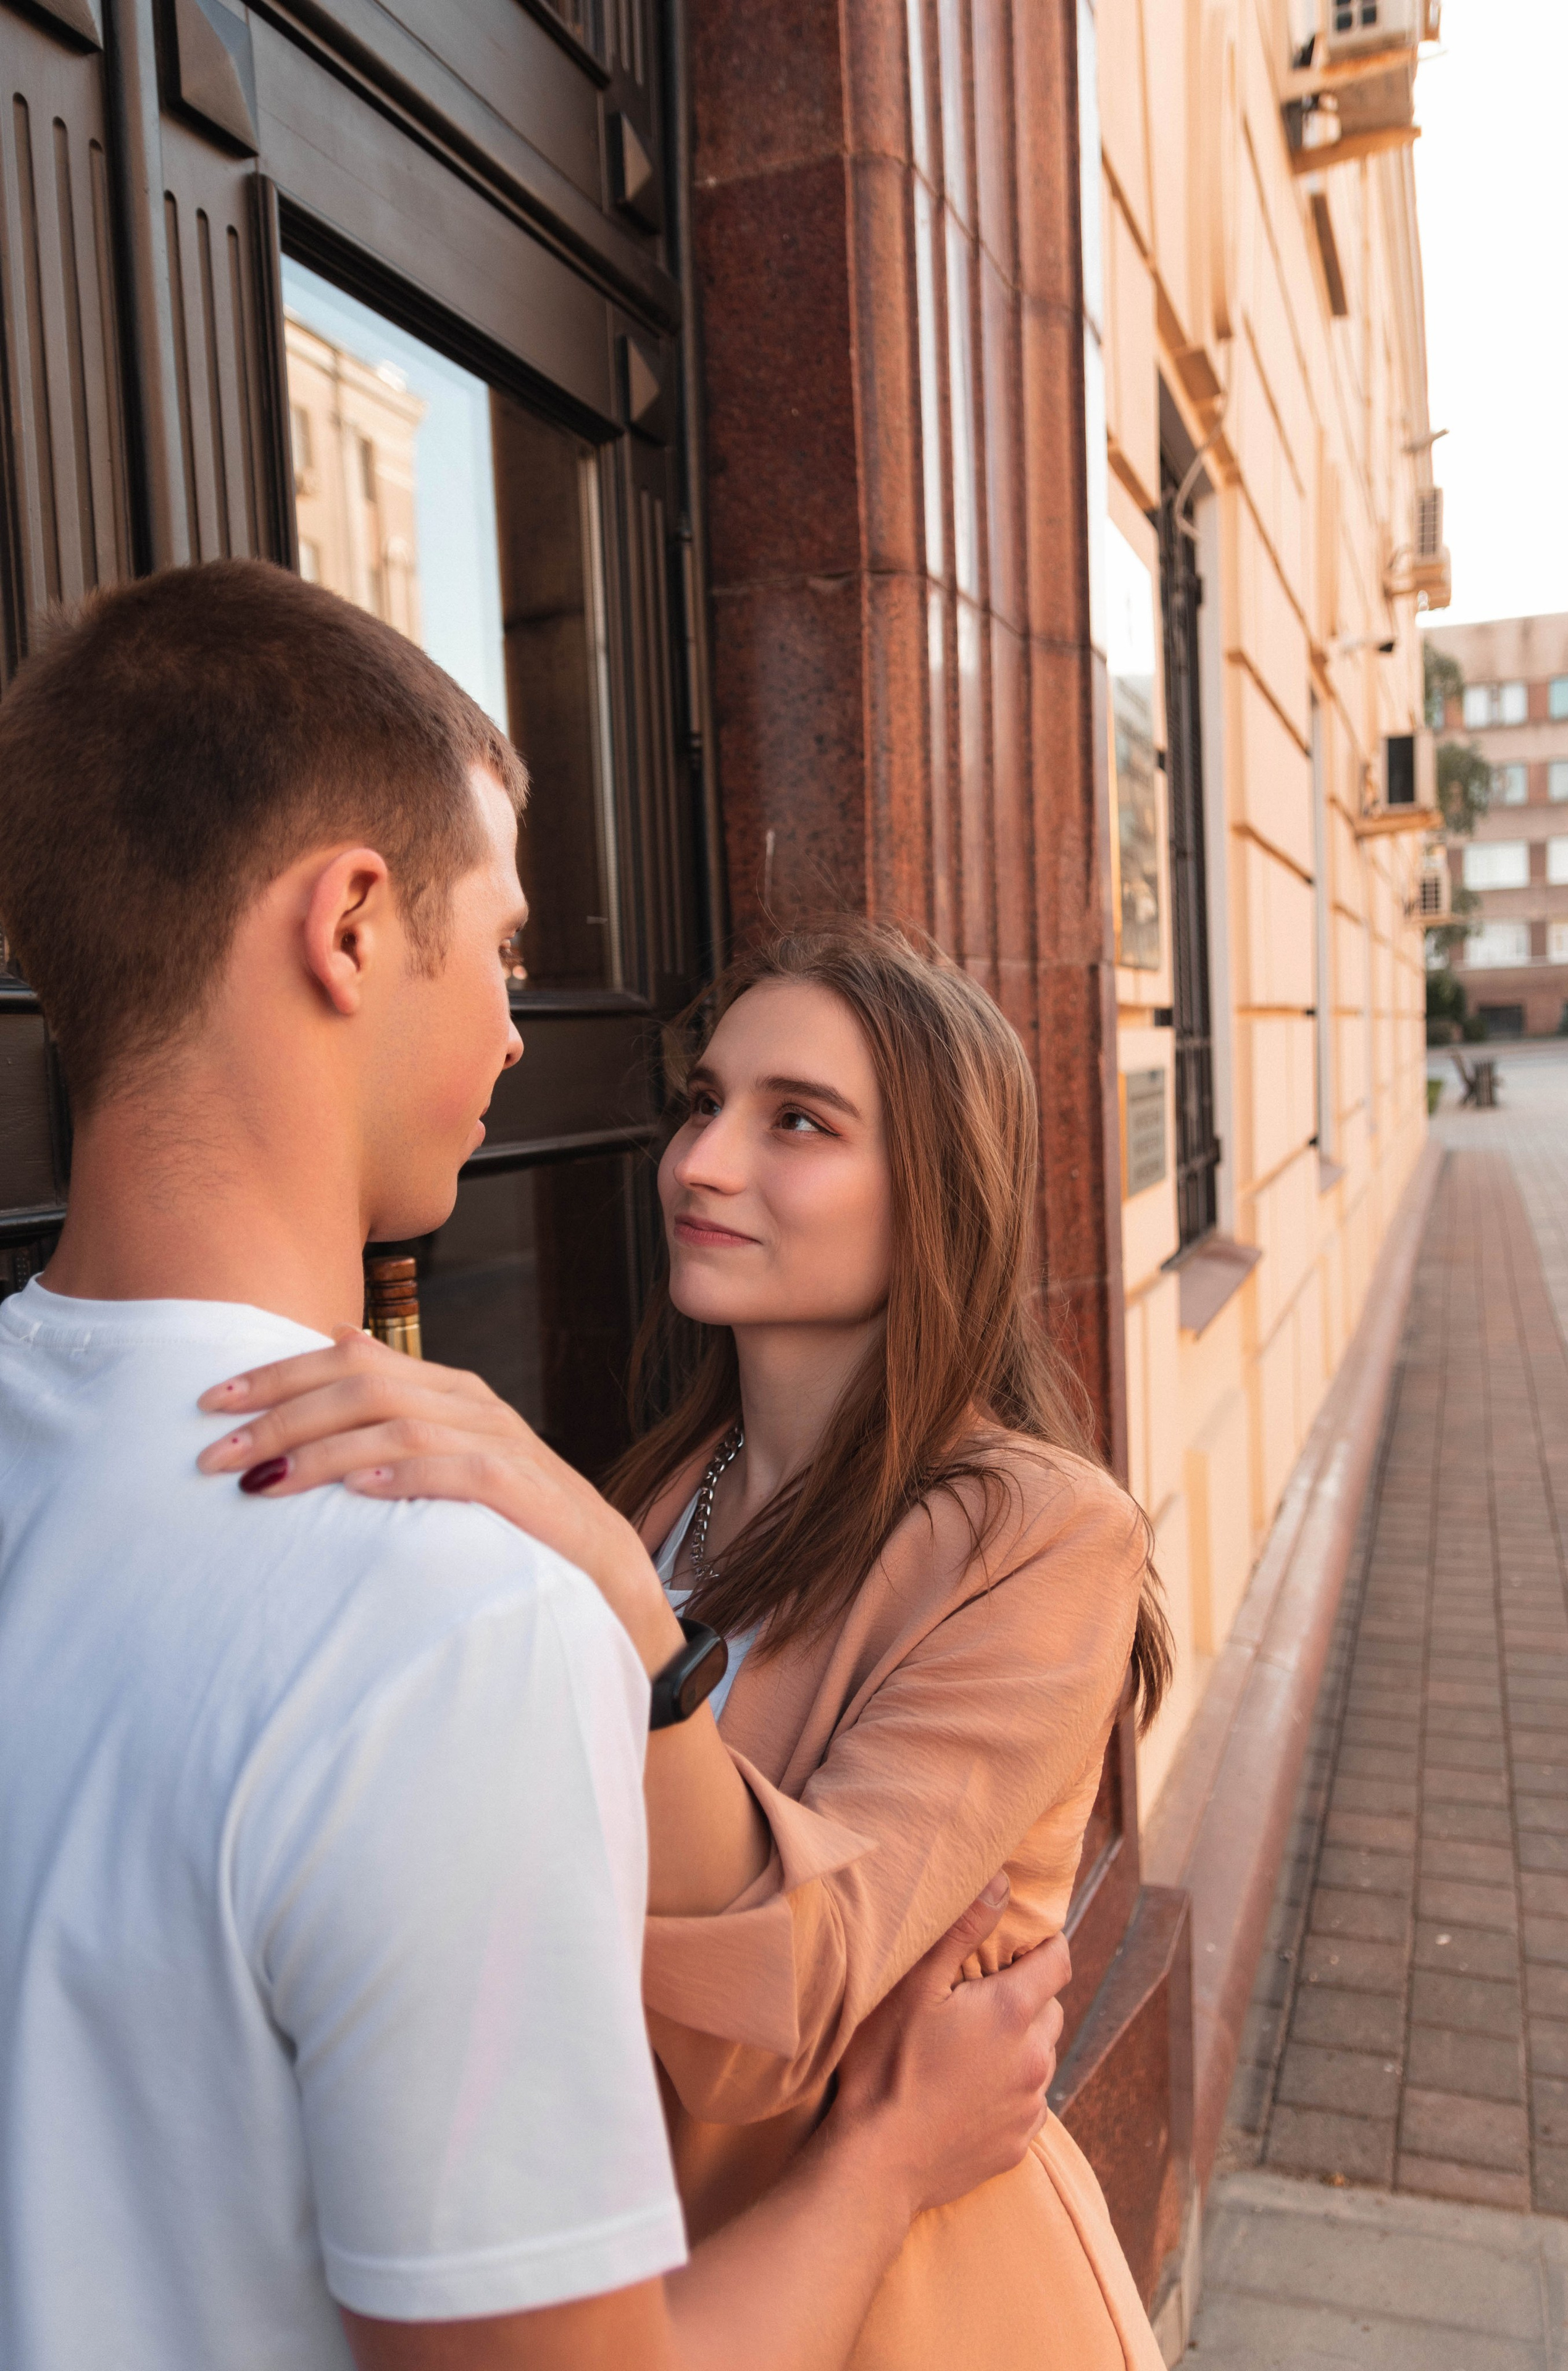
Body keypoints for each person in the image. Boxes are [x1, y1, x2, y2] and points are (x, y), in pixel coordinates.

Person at [0, 563, 1074, 2371]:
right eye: (501, 948)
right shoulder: (458, 1612)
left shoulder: (559, 1557)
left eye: (797, 1122)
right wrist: (877, 2165)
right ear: (350, 927)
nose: (518, 1029)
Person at [211, 921, 1175, 2369]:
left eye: (797, 1122)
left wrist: (605, 1582)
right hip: (651, 2274)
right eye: (703, 1103)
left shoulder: (1039, 1536)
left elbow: (784, 2010)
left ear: (939, 1192)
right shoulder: (669, 1486)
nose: (701, 1162)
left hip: (914, 2307)